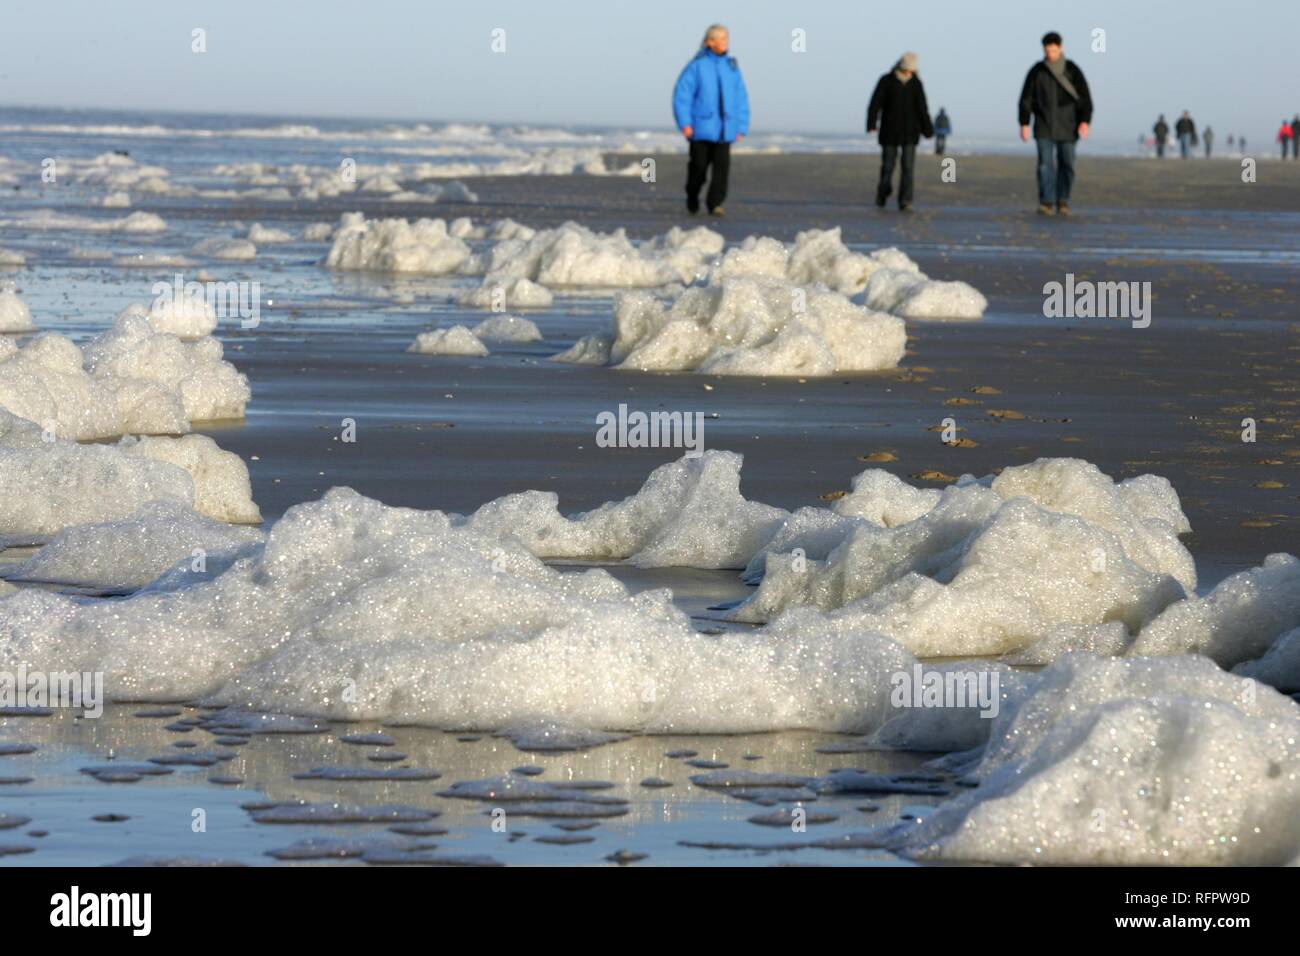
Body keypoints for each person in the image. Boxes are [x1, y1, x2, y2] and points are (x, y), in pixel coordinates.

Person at [672, 23, 750, 217]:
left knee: (721, 170)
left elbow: (741, 97)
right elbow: (682, 96)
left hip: (726, 129)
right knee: (698, 168)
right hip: (700, 128)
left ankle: (715, 203)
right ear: (710, 41)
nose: (725, 42)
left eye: (726, 38)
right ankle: (692, 195)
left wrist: (741, 126)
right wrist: (685, 124)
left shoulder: (731, 67)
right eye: (721, 38)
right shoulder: (696, 66)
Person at [1018, 31, 1092, 216]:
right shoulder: (1037, 71)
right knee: (1045, 164)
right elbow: (1026, 98)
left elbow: (1085, 98)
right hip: (1043, 124)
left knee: (1067, 164)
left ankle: (1063, 200)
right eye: (1047, 50)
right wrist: (1024, 123)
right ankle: (1046, 201)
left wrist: (1085, 121)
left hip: (1069, 125)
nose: (1050, 53)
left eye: (1053, 50)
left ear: (1060, 48)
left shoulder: (1072, 70)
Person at [866, 52, 934, 211]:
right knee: (888, 166)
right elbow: (875, 103)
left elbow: (922, 108)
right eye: (906, 70)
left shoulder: (916, 84)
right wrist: (871, 123)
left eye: (912, 70)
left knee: (908, 168)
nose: (909, 73)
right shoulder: (886, 81)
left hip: (910, 133)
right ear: (901, 67)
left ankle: (905, 200)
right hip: (889, 131)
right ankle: (883, 193)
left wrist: (927, 129)